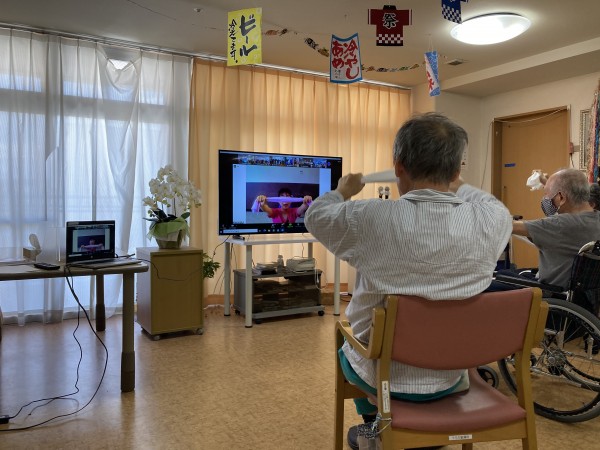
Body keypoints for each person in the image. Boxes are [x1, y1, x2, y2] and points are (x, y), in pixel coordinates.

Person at [304, 112, 512, 449]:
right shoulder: (492, 219)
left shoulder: (369, 216)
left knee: (348, 337)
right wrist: (460, 185)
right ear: (456, 171)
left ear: (399, 167)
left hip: (385, 374)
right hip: (453, 370)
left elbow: (315, 216)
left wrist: (342, 192)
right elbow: (491, 202)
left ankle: (376, 431)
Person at [508, 168, 600, 289]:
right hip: (585, 295)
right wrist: (547, 182)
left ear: (561, 197)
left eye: (546, 194)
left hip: (550, 292)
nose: (546, 199)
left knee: (499, 277)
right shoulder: (595, 219)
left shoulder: (558, 225)